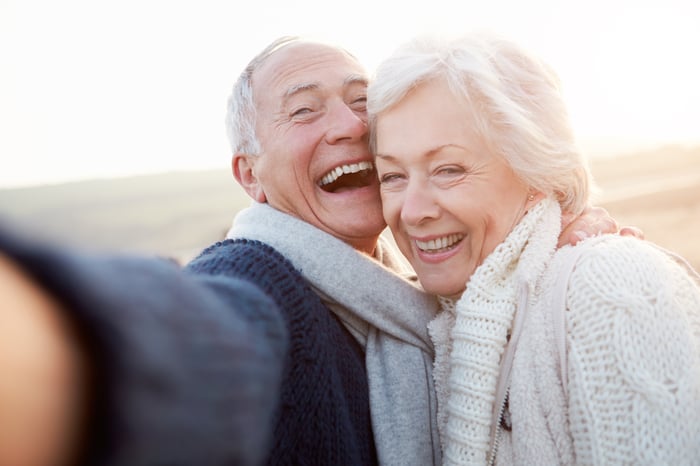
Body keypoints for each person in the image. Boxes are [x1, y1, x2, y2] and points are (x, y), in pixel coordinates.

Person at [1, 35, 635, 466]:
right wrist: (55, 343)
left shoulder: (405, 297)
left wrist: (547, 237)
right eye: (304, 111)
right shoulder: (259, 282)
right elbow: (202, 338)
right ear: (250, 176)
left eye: (363, 101)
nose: (349, 125)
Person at [367, 32, 700, 465]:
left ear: (537, 170)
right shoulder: (433, 324)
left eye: (448, 170)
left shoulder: (608, 286)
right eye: (392, 176)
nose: (411, 212)